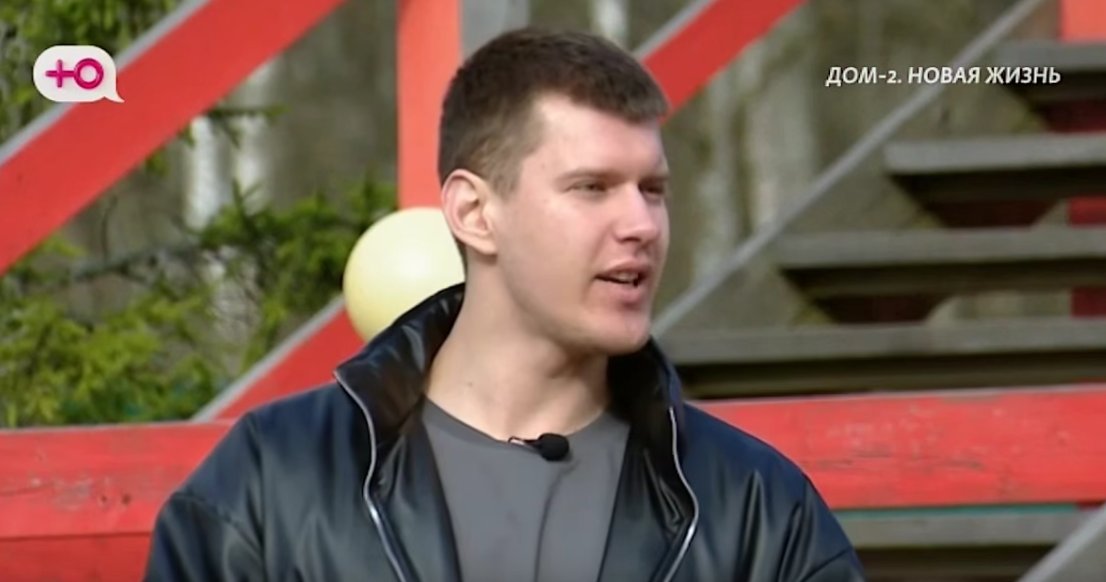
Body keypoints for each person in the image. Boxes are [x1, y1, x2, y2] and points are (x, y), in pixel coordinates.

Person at [145, 27, 865, 582]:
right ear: (474, 212)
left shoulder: (757, 510)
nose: (641, 224)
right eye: (592, 187)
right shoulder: (271, 482)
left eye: (653, 190)